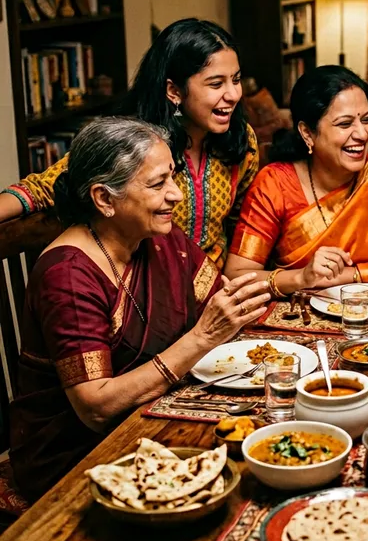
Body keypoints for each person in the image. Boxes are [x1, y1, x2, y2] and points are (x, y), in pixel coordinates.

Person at [9, 118, 271, 500]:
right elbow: (95, 408)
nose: (176, 195)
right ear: (104, 199)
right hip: (78, 454)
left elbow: (220, 300)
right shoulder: (67, 275)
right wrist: (201, 338)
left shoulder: (159, 239)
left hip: (154, 411)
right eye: (157, 184)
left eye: (172, 177)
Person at [0, 19, 259, 267]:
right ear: (174, 91)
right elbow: (44, 187)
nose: (234, 94)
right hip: (148, 293)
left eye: (235, 80)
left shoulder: (240, 139)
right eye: (216, 84)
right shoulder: (134, 141)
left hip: (215, 287)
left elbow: (241, 229)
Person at [224, 65, 368, 292]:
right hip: (300, 319)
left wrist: (350, 275)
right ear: (307, 133)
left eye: (367, 119)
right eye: (344, 124)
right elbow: (237, 276)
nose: (362, 134)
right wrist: (301, 278)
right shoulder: (275, 185)